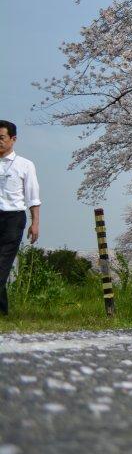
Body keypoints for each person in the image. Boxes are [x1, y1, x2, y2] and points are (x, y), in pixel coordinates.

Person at [0, 120, 41, 316]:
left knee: (2, 264)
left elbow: (33, 197)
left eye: (1, 138)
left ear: (13, 139)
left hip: (13, 219)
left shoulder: (25, 165)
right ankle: (3, 312)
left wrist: (35, 223)